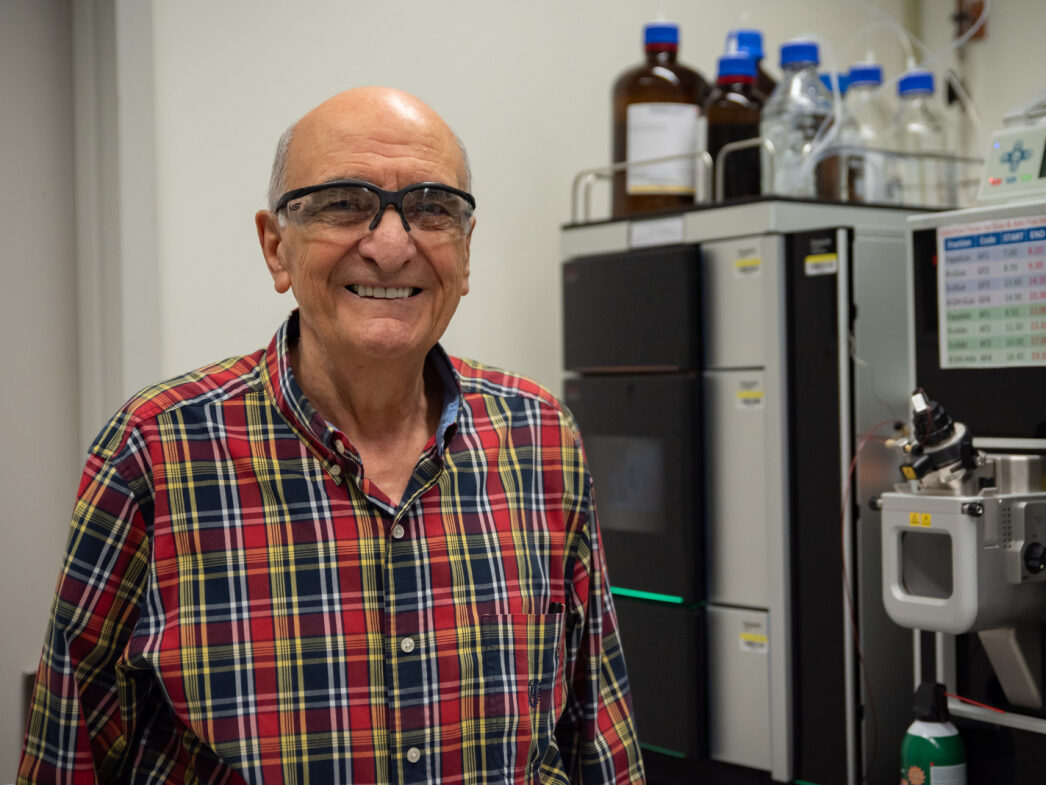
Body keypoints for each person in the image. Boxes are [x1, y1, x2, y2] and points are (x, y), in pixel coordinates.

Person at [17, 87, 645, 785]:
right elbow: (68, 749)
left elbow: (599, 733)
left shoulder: (540, 439)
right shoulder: (156, 452)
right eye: (345, 203)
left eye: (432, 208)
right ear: (275, 246)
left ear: (464, 254)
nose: (390, 245)